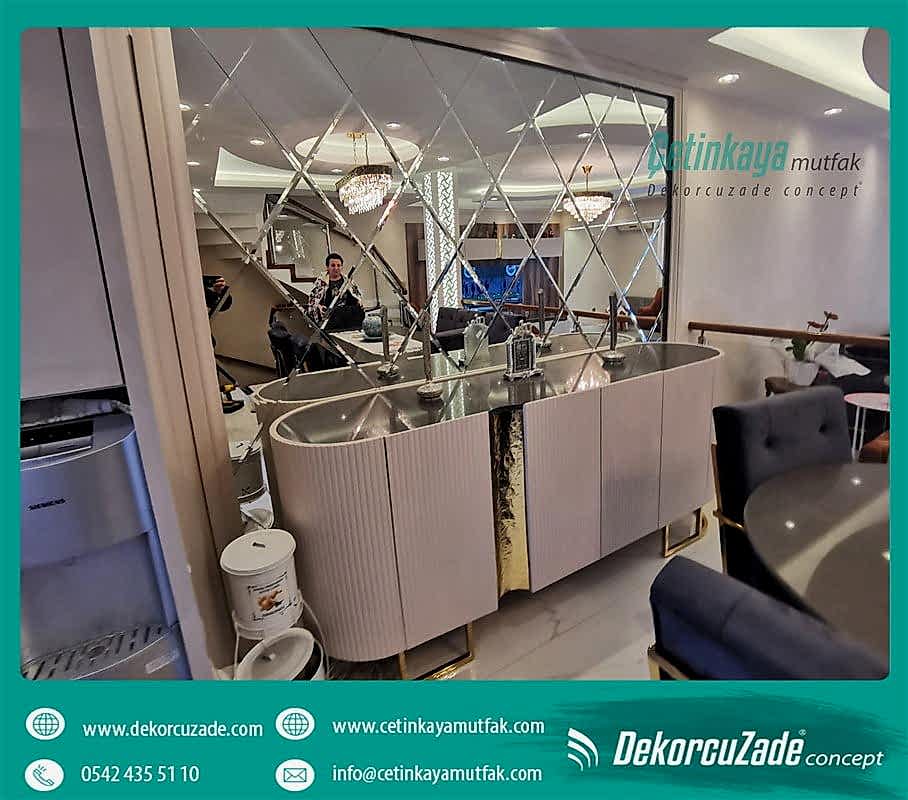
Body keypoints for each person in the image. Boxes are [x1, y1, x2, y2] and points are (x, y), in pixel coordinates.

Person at [307, 253, 363, 329]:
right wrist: (319, 307)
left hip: (347, 314)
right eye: (333, 265)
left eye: (338, 265)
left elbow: (357, 296)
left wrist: (358, 302)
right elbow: (313, 301)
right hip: (330, 315)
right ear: (327, 267)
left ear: (341, 267)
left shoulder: (348, 281)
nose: (336, 268)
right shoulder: (321, 282)